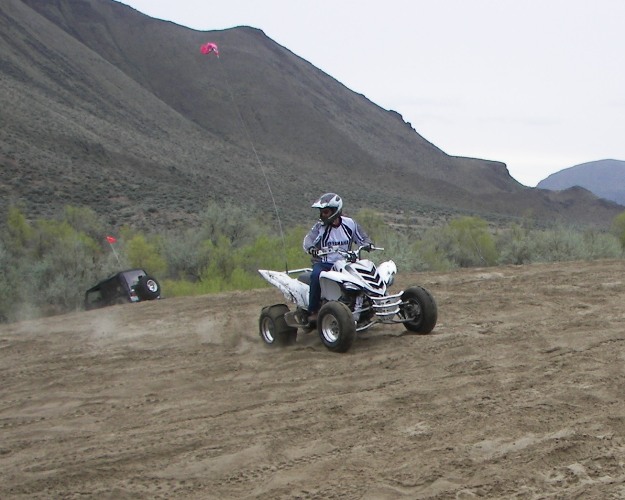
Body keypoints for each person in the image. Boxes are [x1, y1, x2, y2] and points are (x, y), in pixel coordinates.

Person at [302, 193, 373, 322]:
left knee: (365, 274)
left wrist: (368, 244)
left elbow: (362, 237)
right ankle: (313, 310)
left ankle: (370, 304)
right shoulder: (319, 227)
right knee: (316, 275)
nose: (322, 215)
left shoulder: (350, 224)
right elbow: (308, 240)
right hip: (325, 263)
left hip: (346, 263)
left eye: (326, 212)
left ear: (335, 211)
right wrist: (311, 248)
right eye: (321, 212)